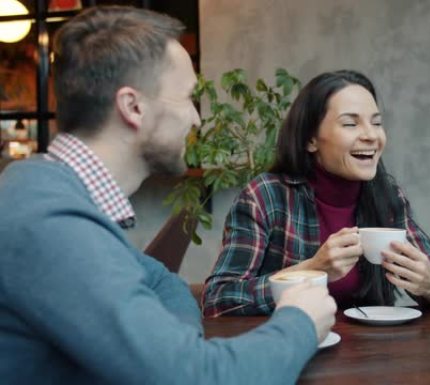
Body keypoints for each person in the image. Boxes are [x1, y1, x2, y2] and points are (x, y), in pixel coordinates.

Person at [0, 6, 336, 384]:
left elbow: (164, 283)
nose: (196, 118)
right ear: (133, 106)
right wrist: (301, 321)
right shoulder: (49, 221)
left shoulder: (47, 188)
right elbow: (199, 378)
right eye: (187, 97)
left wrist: (169, 350)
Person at [202, 70, 430, 316]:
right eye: (351, 124)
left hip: (373, 355)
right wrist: (311, 270)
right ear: (310, 139)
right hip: (291, 350)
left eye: (377, 123)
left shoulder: (387, 195)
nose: (371, 135)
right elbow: (218, 299)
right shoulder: (266, 197)